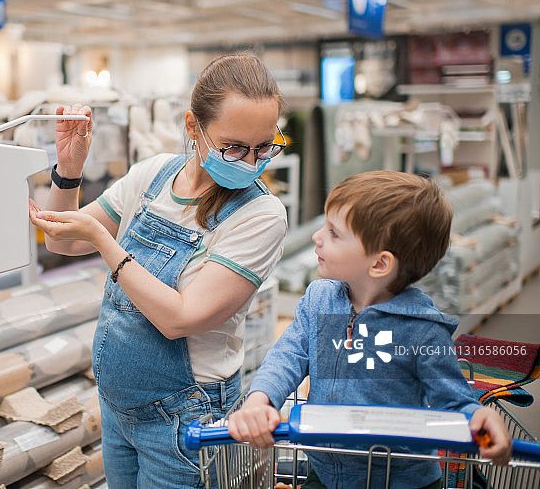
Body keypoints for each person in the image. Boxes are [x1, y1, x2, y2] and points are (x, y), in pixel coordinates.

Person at [29, 52, 289, 488]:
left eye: (264, 147)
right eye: (233, 147)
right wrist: (69, 170)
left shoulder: (261, 216)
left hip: (185, 421)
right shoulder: (153, 176)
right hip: (119, 408)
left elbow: (180, 318)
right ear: (193, 127)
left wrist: (105, 243)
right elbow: (62, 238)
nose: (249, 162)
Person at [227, 170, 513, 489]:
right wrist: (261, 400)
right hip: (324, 474)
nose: (316, 237)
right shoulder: (319, 299)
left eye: (334, 233)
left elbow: (455, 402)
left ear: (379, 264)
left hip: (403, 481)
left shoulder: (421, 330)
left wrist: (480, 420)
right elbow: (288, 356)